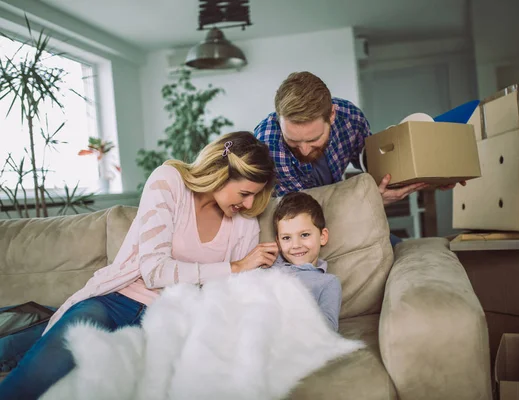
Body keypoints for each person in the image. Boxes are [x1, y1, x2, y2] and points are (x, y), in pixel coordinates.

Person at [0, 131, 279, 400]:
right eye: (244, 193)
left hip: (163, 324)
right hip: (115, 302)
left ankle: (30, 324)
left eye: (256, 195)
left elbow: (230, 294)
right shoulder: (169, 182)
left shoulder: (245, 225)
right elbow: (155, 271)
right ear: (220, 174)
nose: (250, 203)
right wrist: (234, 267)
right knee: (32, 379)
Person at [254, 72, 463, 245]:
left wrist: (432, 175)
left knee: (403, 249)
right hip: (300, 233)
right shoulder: (267, 145)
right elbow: (304, 214)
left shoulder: (350, 118)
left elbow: (374, 163)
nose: (305, 150)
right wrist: (369, 201)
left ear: (332, 116)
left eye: (314, 139)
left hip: (343, 214)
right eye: (293, 141)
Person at [270, 192, 341, 332]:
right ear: (278, 242)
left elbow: (329, 328)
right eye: (286, 238)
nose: (295, 245)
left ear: (323, 236)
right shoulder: (271, 264)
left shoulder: (328, 282)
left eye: (304, 235)